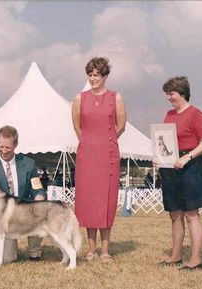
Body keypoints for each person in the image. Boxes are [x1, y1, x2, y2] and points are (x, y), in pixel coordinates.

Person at [72, 57, 126, 261]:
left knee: (106, 201)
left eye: (97, 75)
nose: (93, 78)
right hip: (87, 156)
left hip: (108, 156)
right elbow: (77, 126)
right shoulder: (79, 98)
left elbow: (121, 126)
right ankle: (90, 249)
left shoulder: (116, 97)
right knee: (88, 201)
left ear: (105, 76)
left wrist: (107, 142)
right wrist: (88, 142)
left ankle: (105, 250)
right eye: (90, 74)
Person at [156, 76, 202, 271]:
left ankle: (196, 260)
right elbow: (165, 142)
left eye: (170, 93)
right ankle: (176, 256)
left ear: (182, 93)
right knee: (174, 214)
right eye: (167, 94)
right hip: (171, 167)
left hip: (190, 167)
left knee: (191, 215)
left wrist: (187, 157)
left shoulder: (196, 114)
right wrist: (159, 157)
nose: (168, 97)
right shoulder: (169, 114)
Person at [0, 125, 47, 262]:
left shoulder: (28, 164)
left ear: (15, 144)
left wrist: (39, 196)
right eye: (1, 147)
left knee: (38, 209)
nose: (4, 151)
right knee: (6, 259)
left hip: (24, 210)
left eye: (8, 147)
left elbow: (37, 187)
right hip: (4, 216)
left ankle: (35, 252)